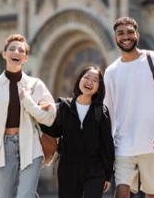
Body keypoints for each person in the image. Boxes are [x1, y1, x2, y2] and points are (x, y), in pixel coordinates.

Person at [104, 17, 154, 198]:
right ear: (115, 39)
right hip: (124, 144)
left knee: (153, 195)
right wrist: (108, 144)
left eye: (129, 32)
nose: (125, 36)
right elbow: (109, 113)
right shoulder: (111, 72)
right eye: (120, 33)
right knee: (121, 190)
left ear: (137, 35)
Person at [0, 34, 56, 198]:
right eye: (12, 49)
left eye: (21, 50)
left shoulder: (36, 85)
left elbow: (49, 119)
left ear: (26, 57)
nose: (16, 52)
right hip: (4, 148)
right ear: (4, 54)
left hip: (31, 145)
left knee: (25, 196)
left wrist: (28, 101)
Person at [40, 66, 114, 198]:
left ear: (99, 87)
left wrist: (108, 174)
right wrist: (42, 114)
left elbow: (107, 144)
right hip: (68, 167)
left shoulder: (101, 111)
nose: (89, 82)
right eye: (86, 77)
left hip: (94, 168)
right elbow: (54, 132)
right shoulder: (63, 107)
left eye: (95, 80)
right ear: (79, 80)